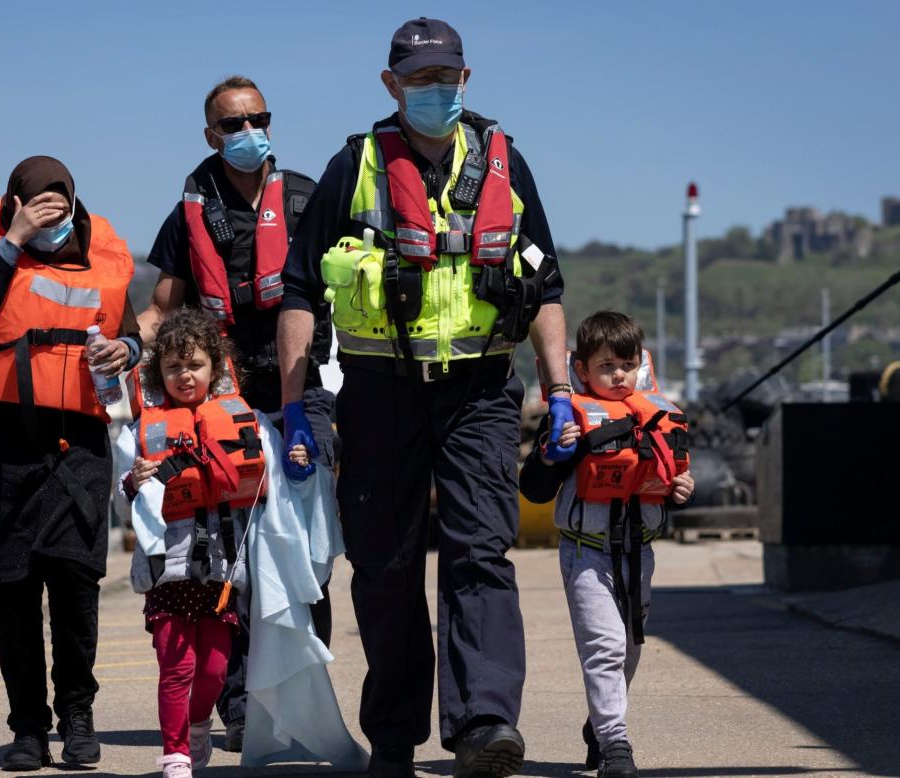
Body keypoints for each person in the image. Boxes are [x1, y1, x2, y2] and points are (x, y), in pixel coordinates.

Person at [275, 18, 577, 778]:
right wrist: (292, 403)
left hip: (479, 390)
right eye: (417, 80)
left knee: (481, 552)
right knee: (385, 565)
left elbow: (543, 286)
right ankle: (394, 737)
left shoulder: (507, 165)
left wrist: (562, 390)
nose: (433, 91)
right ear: (390, 85)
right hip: (379, 392)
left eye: (444, 77)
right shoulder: (355, 166)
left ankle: (484, 725)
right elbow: (300, 291)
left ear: (466, 79)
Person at [138, 74, 336, 751]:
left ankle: (302, 698)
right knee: (230, 557)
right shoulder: (188, 212)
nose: (248, 132)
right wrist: (116, 345)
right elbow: (161, 310)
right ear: (210, 135)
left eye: (258, 118)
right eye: (232, 124)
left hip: (302, 392)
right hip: (224, 401)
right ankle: (242, 703)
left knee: (305, 554)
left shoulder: (309, 199)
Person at [0, 156, 142, 771]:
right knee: (14, 593)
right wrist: (14, 241)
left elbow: (131, 334)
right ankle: (27, 727)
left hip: (77, 444)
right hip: (2, 445)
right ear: (14, 202)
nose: (51, 213)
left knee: (75, 585)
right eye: (36, 203)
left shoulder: (102, 251)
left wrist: (122, 350)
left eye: (59, 203)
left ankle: (78, 714)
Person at [115, 310, 362, 777]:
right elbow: (122, 487)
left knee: (213, 668)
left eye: (194, 366)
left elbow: (280, 477)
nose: (184, 376)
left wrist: (298, 455)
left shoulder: (247, 422)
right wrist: (134, 480)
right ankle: (175, 755)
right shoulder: (139, 434)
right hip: (169, 572)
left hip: (224, 574)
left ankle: (198, 724)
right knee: (177, 666)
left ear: (216, 367)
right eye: (172, 368)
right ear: (157, 375)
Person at [520, 311, 694, 778]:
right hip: (586, 552)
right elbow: (534, 489)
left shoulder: (654, 416)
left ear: (641, 364)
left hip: (639, 552)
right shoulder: (571, 420)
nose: (619, 375)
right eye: (606, 366)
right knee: (606, 646)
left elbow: (664, 483)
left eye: (627, 365)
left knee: (631, 648)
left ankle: (599, 725)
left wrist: (680, 492)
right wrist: (551, 452)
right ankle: (616, 744)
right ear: (582, 370)